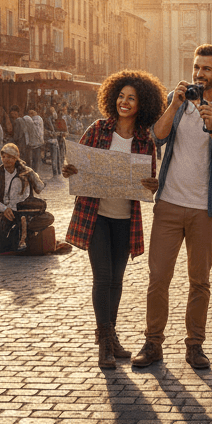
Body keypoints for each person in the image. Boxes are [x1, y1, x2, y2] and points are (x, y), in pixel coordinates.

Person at [132, 44, 212, 371]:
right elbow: (156, 137)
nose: (198, 74)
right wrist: (174, 104)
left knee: (200, 280)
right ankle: (153, 343)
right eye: (196, 68)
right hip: (168, 202)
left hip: (205, 208)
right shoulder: (174, 100)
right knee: (158, 278)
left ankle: (195, 346)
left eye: (206, 69)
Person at [63, 70, 165, 369]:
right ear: (112, 98)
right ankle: (104, 343)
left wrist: (153, 185)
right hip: (96, 216)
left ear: (141, 104)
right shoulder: (97, 129)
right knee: (103, 277)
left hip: (125, 218)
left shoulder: (146, 140)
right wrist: (70, 169)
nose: (124, 102)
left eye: (131, 98)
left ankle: (113, 335)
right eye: (120, 96)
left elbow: (151, 178)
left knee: (117, 280)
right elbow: (75, 164)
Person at [0, 143, 46, 239]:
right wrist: (4, 209)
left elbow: (40, 187)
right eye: (3, 157)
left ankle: (23, 228)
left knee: (48, 218)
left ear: (16, 158)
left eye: (9, 157)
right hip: (7, 214)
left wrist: (33, 176)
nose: (6, 160)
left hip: (25, 212)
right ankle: (22, 230)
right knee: (3, 224)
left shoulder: (26, 171)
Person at [25, 106, 45, 171]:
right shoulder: (37, 119)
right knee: (34, 161)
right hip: (35, 144)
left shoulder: (36, 119)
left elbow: (38, 131)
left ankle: (33, 174)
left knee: (33, 160)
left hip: (34, 144)